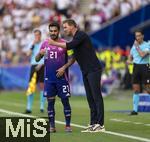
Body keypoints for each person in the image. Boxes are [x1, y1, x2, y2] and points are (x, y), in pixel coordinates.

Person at [48, 19, 105, 132]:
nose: (64, 30)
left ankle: (100, 124)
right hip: (85, 70)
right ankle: (93, 123)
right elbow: (74, 57)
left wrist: (54, 43)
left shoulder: (81, 35)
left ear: (72, 26)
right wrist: (64, 67)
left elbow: (69, 46)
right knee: (90, 98)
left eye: (65, 27)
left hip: (93, 69)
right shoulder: (76, 38)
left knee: (96, 97)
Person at [35, 22, 75, 133]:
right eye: (51, 31)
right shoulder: (45, 43)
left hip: (62, 79)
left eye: (55, 31)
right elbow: (37, 59)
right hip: (49, 79)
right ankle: (52, 126)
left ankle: (68, 126)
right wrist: (40, 54)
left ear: (58, 31)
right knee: (50, 103)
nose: (53, 33)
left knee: (65, 101)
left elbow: (73, 58)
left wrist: (64, 68)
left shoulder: (65, 43)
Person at [128, 30, 150, 115]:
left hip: (145, 67)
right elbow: (130, 57)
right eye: (136, 36)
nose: (138, 38)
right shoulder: (134, 47)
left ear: (143, 36)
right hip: (136, 67)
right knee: (136, 89)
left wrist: (137, 46)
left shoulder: (147, 45)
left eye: (139, 36)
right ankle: (135, 110)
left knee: (148, 89)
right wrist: (129, 61)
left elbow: (142, 54)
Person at [25, 29, 45, 113]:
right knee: (31, 86)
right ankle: (29, 107)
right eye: (35, 35)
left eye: (38, 35)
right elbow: (28, 54)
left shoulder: (44, 44)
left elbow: (46, 55)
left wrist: (41, 64)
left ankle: (42, 106)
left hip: (42, 65)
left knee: (42, 86)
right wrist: (33, 44)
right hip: (33, 65)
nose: (37, 37)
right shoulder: (32, 44)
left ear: (40, 35)